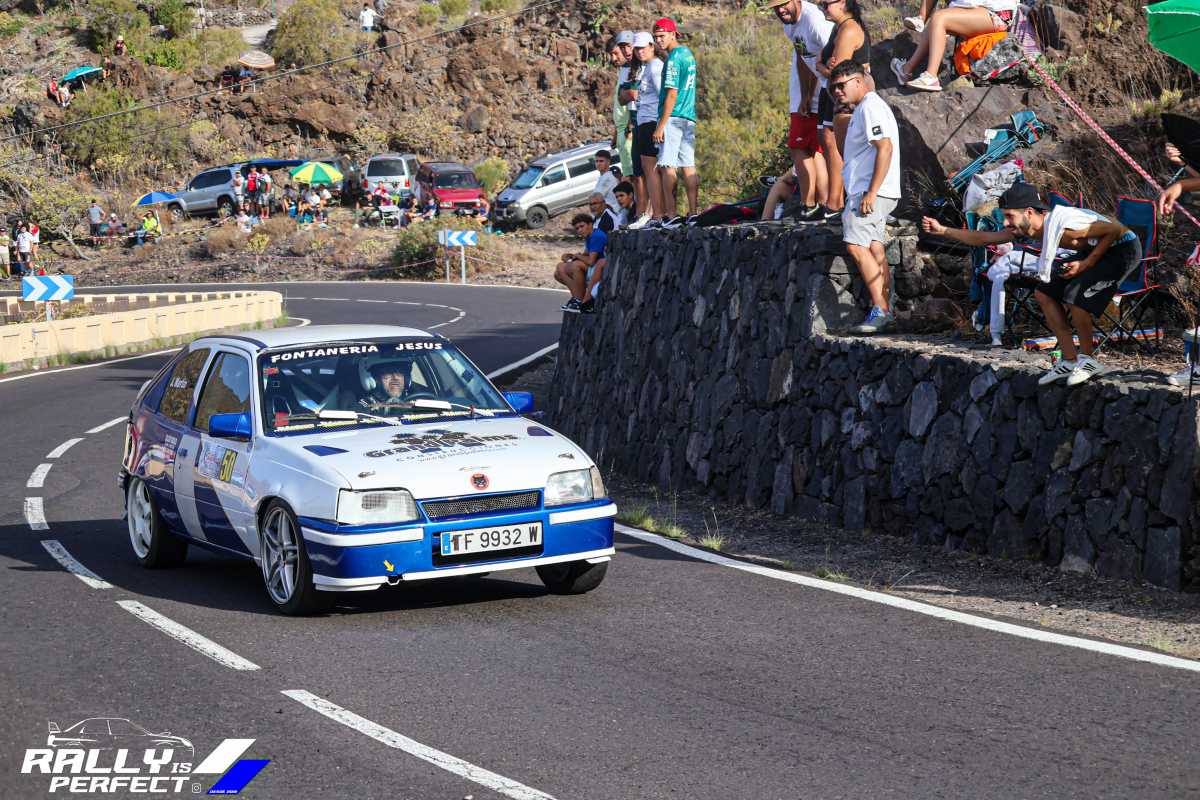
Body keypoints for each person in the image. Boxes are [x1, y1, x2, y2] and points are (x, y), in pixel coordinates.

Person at [922, 183, 1141, 386]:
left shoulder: (1064, 225)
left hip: (1122, 248)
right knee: (1044, 293)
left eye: (1009, 216)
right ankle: (1069, 360)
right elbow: (984, 238)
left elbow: (1113, 230)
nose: (1005, 222)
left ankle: (1089, 360)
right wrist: (943, 230)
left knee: (1075, 297)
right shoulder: (1026, 229)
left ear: (1028, 212)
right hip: (1093, 250)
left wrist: (1085, 264)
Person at [830, 61, 900, 334]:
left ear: (859, 81)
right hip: (874, 190)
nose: (837, 91)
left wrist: (870, 192)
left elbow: (885, 148)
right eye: (834, 88)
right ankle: (886, 308)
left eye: (842, 85)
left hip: (869, 192)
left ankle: (880, 310)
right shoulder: (866, 108)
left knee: (856, 246)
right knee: (874, 247)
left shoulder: (870, 107)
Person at [770, 0, 833, 224]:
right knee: (811, 149)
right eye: (775, 6)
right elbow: (802, 56)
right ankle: (815, 205)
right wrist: (805, 95)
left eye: (783, 3)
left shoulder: (814, 21)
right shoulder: (790, 25)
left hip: (828, 90)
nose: (780, 10)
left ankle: (818, 204)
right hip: (811, 92)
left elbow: (834, 52)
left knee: (804, 147)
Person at [816, 0, 871, 221]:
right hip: (833, 93)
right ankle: (834, 201)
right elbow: (820, 62)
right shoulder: (838, 28)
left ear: (842, 3)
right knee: (828, 141)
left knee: (838, 146)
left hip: (844, 97)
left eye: (825, 4)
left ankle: (836, 203)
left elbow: (838, 73)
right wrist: (823, 67)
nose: (822, 8)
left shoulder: (848, 30)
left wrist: (823, 68)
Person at [892, 0, 1017, 92]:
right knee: (936, 21)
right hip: (985, 9)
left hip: (997, 15)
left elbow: (969, 3)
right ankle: (906, 69)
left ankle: (931, 77)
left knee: (940, 18)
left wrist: (952, 6)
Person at [652, 17, 699, 227]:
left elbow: (672, 93)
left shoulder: (673, 59)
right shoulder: (688, 54)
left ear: (673, 34)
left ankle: (671, 215)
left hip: (672, 117)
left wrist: (661, 125)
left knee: (667, 165)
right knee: (688, 166)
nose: (659, 40)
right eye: (656, 37)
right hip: (688, 116)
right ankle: (693, 212)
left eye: (662, 36)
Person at [627, 31, 664, 228]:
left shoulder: (656, 66)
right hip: (644, 121)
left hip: (651, 121)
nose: (639, 52)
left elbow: (663, 95)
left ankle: (657, 214)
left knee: (651, 170)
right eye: (637, 49)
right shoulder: (647, 67)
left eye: (643, 48)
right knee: (647, 168)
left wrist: (661, 125)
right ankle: (654, 213)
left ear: (651, 46)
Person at [555, 213, 607, 314]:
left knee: (575, 266)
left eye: (582, 226)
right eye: (577, 228)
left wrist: (577, 256)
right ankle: (576, 298)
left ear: (590, 224)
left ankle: (578, 300)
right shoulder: (589, 236)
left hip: (599, 269)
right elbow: (585, 254)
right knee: (559, 270)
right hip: (593, 267)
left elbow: (591, 261)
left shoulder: (597, 236)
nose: (579, 230)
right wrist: (570, 256)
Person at [609, 32, 635, 179]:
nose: (614, 58)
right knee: (629, 176)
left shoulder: (633, 70)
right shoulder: (623, 70)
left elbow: (635, 101)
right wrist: (615, 134)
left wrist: (630, 127)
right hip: (621, 131)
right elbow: (620, 106)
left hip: (628, 131)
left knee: (634, 177)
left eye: (616, 53)